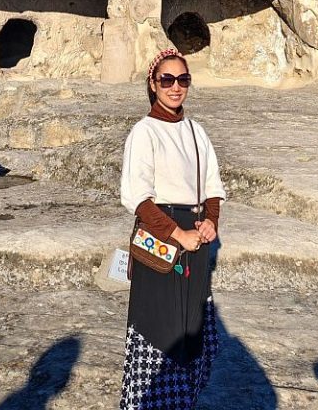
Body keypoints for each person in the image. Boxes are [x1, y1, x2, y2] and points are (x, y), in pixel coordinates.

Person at [119, 47, 226, 410]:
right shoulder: (144, 132)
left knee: (193, 332)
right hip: (162, 239)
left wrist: (211, 222)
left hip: (196, 239)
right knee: (158, 329)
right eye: (167, 79)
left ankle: (183, 404)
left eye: (182, 79)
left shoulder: (196, 131)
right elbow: (137, 197)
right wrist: (177, 234)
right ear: (153, 84)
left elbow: (212, 186)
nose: (175, 87)